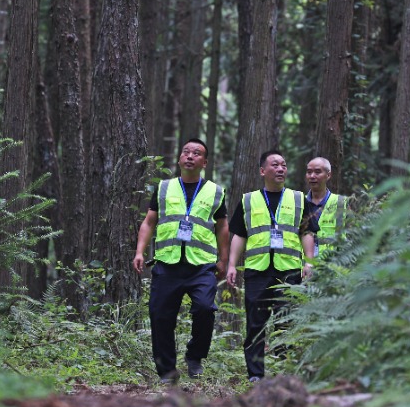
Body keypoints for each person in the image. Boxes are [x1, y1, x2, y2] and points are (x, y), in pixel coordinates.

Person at [133, 139, 229, 384]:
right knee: (160, 315)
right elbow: (149, 222)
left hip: (201, 265)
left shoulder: (215, 191)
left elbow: (222, 227)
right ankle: (167, 372)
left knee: (206, 309)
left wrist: (223, 259)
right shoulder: (164, 188)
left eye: (196, 153)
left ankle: (195, 357)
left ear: (204, 162)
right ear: (179, 159)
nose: (190, 156)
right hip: (168, 263)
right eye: (186, 152)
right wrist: (140, 252)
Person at [226, 150, 311, 382]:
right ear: (263, 171)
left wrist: (309, 262)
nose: (281, 168)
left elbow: (307, 233)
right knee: (255, 324)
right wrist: (232, 265)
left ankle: (286, 371)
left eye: (284, 164)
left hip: (289, 270)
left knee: (287, 321)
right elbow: (239, 235)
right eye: (275, 165)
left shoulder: (299, 199)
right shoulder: (248, 200)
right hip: (257, 270)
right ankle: (255, 375)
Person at [301, 156, 349, 277]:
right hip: (303, 269)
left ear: (328, 175)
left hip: (333, 269)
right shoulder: (298, 203)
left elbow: (351, 238)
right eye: (309, 172)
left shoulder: (341, 203)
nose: (312, 176)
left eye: (317, 172)